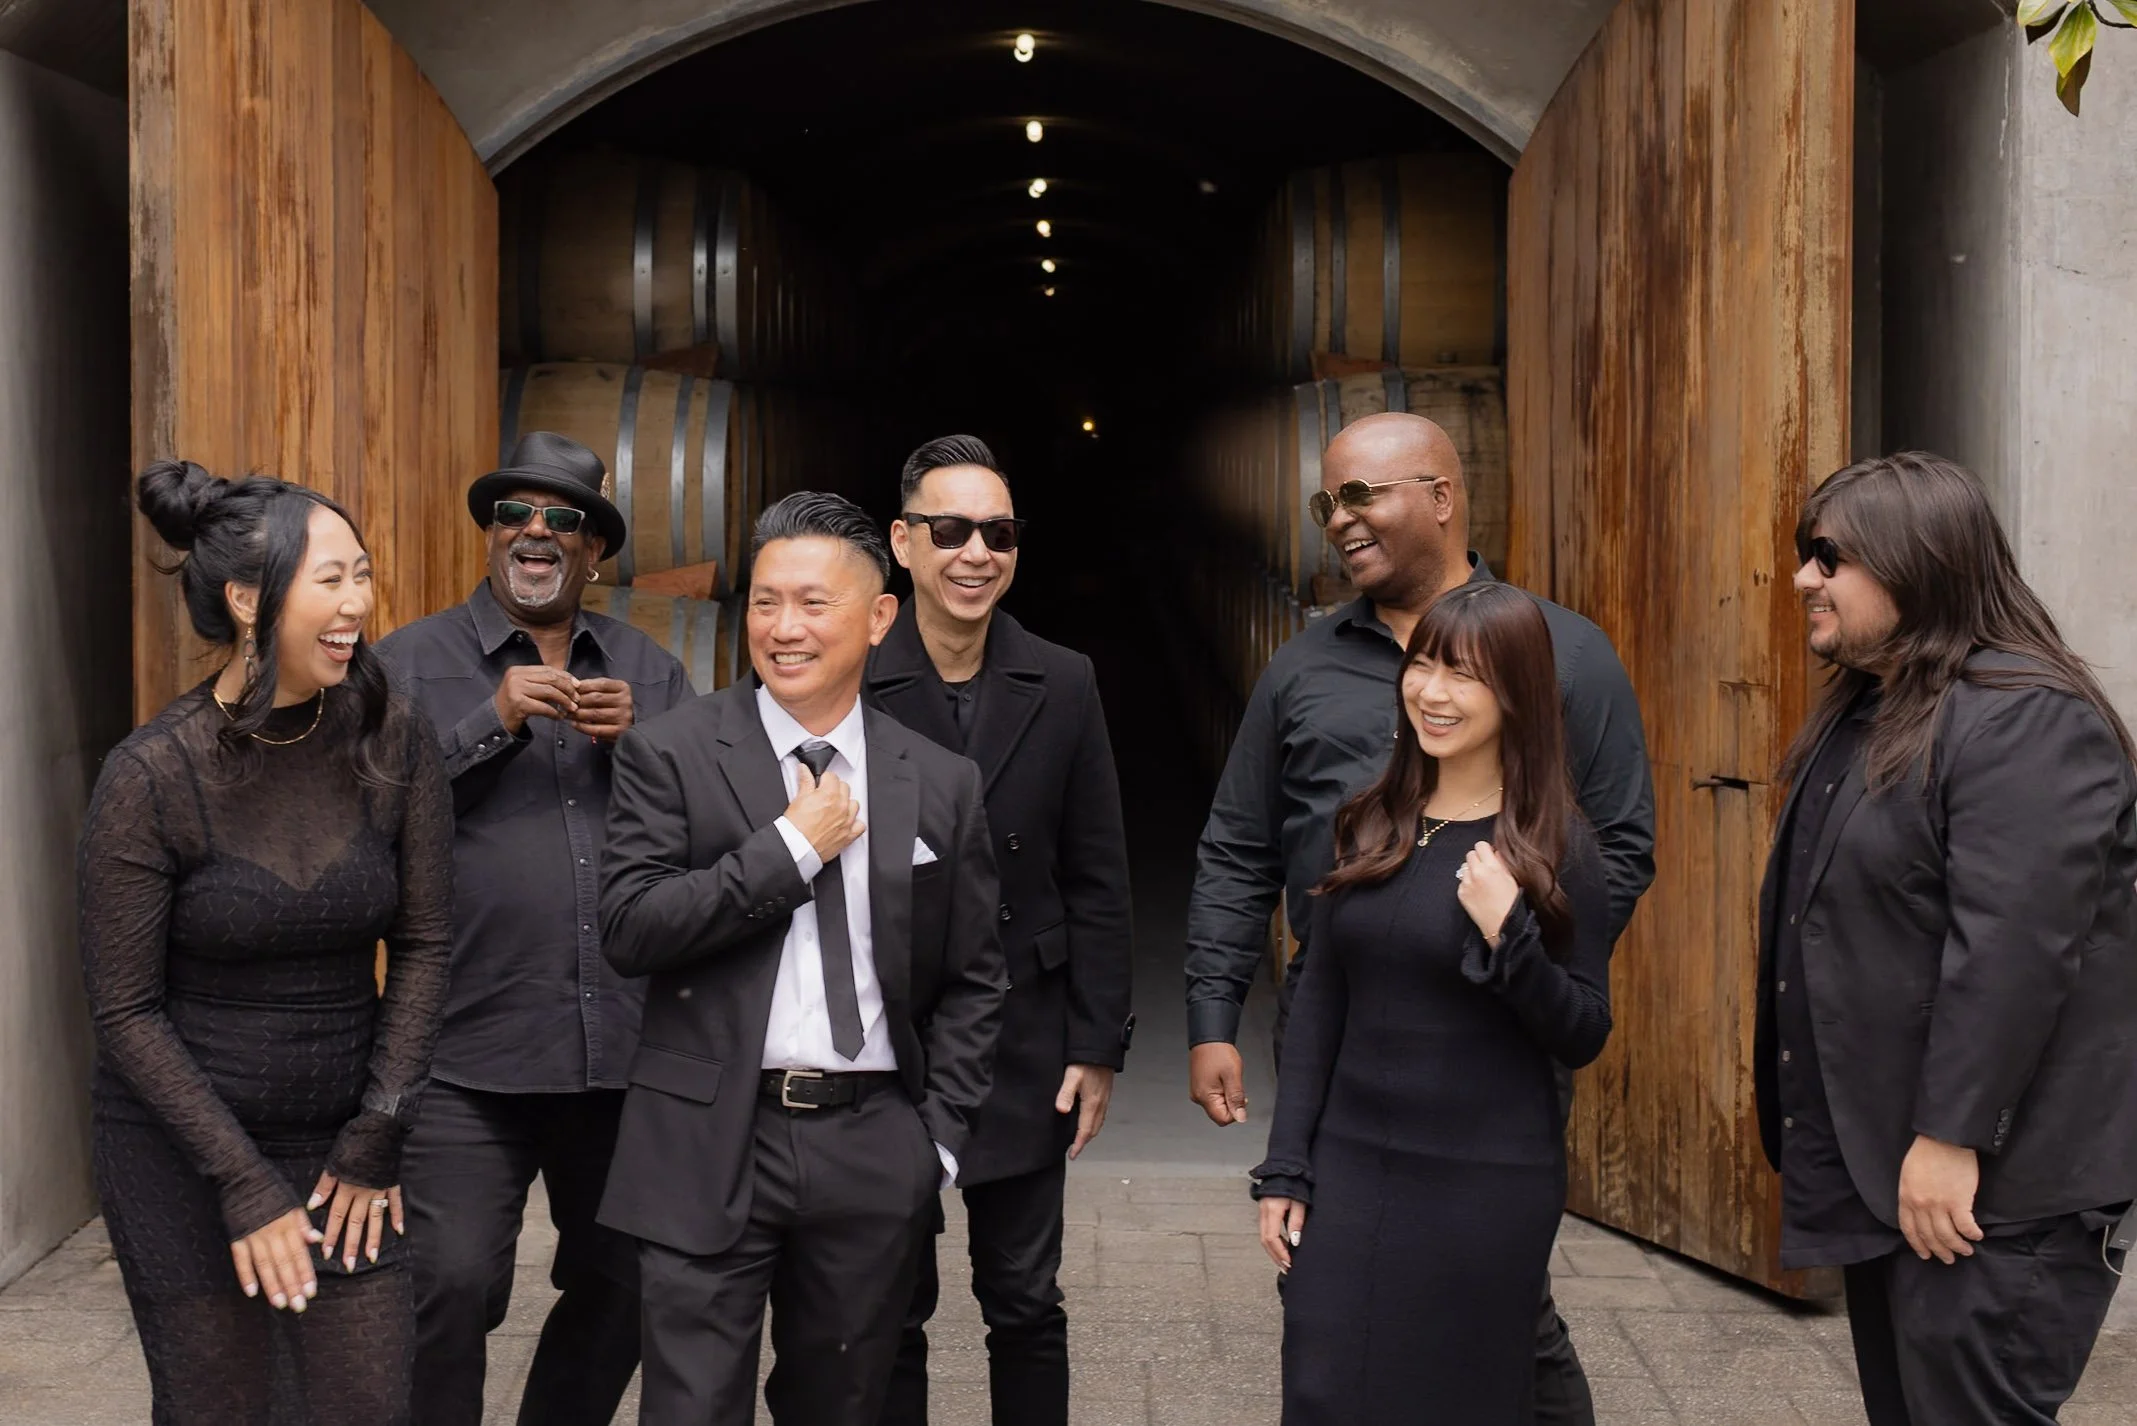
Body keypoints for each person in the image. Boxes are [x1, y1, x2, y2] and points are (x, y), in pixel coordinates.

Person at [1182, 411, 1654, 1423]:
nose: (1337, 519)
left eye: (1362, 495)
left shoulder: (1566, 653)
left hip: (1494, 1058)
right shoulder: (1305, 669)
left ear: (1441, 497)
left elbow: (1617, 851)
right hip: (1344, 1041)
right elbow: (1238, 844)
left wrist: (1511, 955)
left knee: (1493, 1331)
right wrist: (1213, 1013)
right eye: (1327, 501)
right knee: (1328, 1319)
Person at [597, 491, 1008, 1425]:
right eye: (765, 603)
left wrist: (934, 1142)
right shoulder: (671, 752)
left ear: (879, 617)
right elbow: (630, 928)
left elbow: (975, 975)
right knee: (690, 1408)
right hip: (706, 1133)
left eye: (814, 604)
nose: (784, 629)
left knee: (842, 1405)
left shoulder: (938, 780)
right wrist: (789, 849)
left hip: (871, 1141)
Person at [1757, 451, 2137, 1425]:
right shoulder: (1877, 705)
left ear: (1915, 562)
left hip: (1992, 1192)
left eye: (1829, 557)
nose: (1802, 578)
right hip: (1899, 1171)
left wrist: (1949, 1136)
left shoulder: (2026, 720)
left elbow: (2011, 953)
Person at [78, 460, 453, 1425]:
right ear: (248, 599)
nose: (357, 602)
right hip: (184, 1152)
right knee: (221, 1406)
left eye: (361, 574)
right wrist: (242, 1180)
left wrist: (379, 1129)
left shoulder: (395, 737)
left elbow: (424, 943)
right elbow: (124, 1011)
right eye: (330, 578)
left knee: (366, 1401)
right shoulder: (151, 776)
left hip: (343, 1152)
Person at [374, 431, 693, 1425]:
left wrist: (646, 749)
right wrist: (491, 722)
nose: (536, 531)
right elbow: (366, 821)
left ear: (595, 550)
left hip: (620, 1054)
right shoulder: (409, 664)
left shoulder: (651, 672)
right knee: (450, 1283)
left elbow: (711, 835)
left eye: (564, 519)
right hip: (466, 1050)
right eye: (515, 513)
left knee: (627, 1281)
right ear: (490, 534)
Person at [1251, 580, 1613, 1423]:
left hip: (1482, 1183)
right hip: (1351, 1164)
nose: (1432, 693)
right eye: (1422, 667)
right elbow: (1318, 1005)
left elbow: (1583, 1030)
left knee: (1452, 1399)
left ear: (1516, 694)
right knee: (1321, 1383)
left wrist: (1509, 936)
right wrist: (1285, 1165)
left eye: (1463, 675)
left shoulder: (1556, 847)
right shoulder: (1369, 819)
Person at [866, 436, 1134, 1426]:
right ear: (903, 543)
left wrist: (1095, 1043)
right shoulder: (851, 672)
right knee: (886, 1304)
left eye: (998, 533)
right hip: (886, 1035)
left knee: (1024, 1299)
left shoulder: (1062, 678)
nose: (975, 553)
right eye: (949, 531)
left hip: (1023, 1030)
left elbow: (1098, 873)